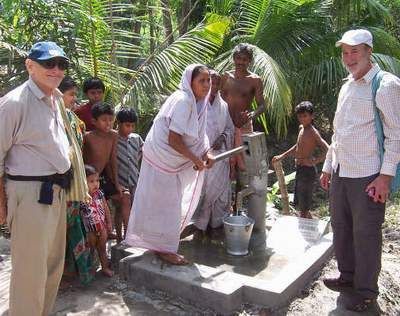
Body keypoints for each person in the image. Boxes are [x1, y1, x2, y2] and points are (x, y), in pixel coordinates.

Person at [320, 29, 400, 312]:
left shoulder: (385, 85)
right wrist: (329, 166)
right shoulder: (348, 85)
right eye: (345, 52)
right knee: (342, 228)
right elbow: (339, 133)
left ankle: (366, 293)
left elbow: (396, 135)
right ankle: (347, 277)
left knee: (365, 234)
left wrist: (385, 176)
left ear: (368, 51)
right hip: (343, 172)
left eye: (355, 51)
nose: (349, 57)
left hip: (368, 176)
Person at [0, 41, 72, 315]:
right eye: (48, 63)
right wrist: (2, 204)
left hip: (55, 191)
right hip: (29, 194)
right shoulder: (14, 104)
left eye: (61, 64)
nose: (56, 70)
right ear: (30, 65)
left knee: (53, 266)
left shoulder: (56, 99)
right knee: (30, 273)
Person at [124, 64, 215, 265]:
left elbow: (199, 136)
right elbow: (174, 140)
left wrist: (206, 153)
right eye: (202, 80)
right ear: (190, 82)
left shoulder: (200, 103)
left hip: (170, 160)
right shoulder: (184, 101)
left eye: (209, 80)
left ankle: (159, 243)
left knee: (163, 205)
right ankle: (164, 249)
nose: (207, 84)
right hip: (161, 159)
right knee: (168, 205)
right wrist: (195, 159)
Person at [58, 76, 93, 285]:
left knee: (72, 227)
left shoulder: (75, 121)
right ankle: (62, 272)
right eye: (70, 94)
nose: (74, 99)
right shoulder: (51, 119)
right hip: (58, 184)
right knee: (60, 231)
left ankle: (74, 271)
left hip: (74, 182)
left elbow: (79, 154)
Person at [272, 101, 329, 219]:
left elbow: (328, 149)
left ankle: (308, 231)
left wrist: (314, 161)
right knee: (300, 205)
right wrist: (282, 156)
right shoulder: (302, 128)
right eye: (300, 116)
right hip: (300, 168)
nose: (302, 119)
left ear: (312, 116)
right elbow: (297, 146)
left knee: (304, 206)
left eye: (305, 116)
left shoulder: (313, 132)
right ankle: (308, 227)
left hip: (308, 171)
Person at [194, 70, 234, 233]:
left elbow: (229, 128)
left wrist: (223, 137)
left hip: (220, 157)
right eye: (212, 81)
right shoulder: (196, 104)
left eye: (218, 82)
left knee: (221, 194)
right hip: (201, 156)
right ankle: (198, 227)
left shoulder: (223, 106)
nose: (214, 85)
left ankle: (215, 227)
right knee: (202, 193)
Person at [82, 102, 131, 239]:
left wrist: (116, 183)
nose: (108, 123)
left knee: (125, 196)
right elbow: (80, 161)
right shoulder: (87, 137)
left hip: (103, 177)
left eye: (111, 119)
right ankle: (104, 233)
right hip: (88, 180)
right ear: (94, 121)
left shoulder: (114, 136)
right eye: (104, 120)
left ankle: (127, 237)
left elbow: (112, 161)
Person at [220, 43, 266, 132]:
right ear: (234, 59)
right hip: (223, 123)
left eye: (245, 59)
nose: (241, 62)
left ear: (250, 61)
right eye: (238, 58)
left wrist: (253, 114)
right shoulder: (225, 76)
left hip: (243, 124)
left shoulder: (255, 80)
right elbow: (217, 98)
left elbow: (262, 105)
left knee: (243, 146)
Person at [115, 107, 144, 241]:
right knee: (120, 209)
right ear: (119, 123)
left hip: (134, 179)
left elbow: (142, 153)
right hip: (119, 181)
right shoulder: (113, 139)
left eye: (132, 126)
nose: (130, 129)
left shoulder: (136, 138)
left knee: (133, 208)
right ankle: (122, 237)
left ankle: (129, 234)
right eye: (127, 125)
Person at [80, 165, 113, 277]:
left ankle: (105, 268)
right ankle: (91, 270)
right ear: (83, 182)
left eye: (97, 180)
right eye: (91, 181)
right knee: (91, 250)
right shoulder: (82, 197)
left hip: (101, 227)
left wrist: (109, 223)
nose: (96, 184)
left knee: (103, 248)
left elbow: (106, 208)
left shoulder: (99, 194)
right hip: (89, 230)